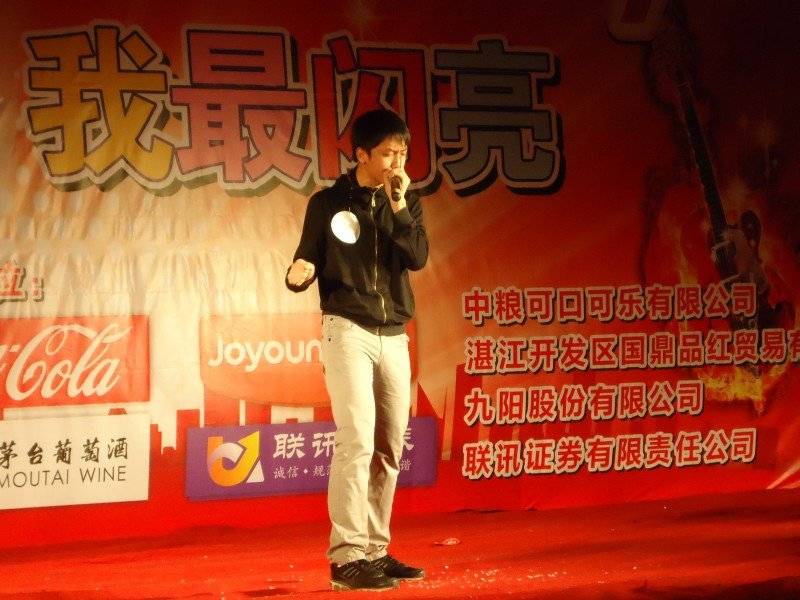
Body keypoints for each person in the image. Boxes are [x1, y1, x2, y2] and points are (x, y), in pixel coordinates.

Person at [285, 108, 429, 591]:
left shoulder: (405, 201)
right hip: (347, 329)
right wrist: (299, 272)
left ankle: (375, 550)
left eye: (402, 153)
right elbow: (308, 255)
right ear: (362, 154)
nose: (397, 162)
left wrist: (399, 205)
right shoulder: (327, 203)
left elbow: (416, 256)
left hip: (394, 334)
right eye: (387, 153)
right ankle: (347, 557)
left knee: (388, 447)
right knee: (357, 440)